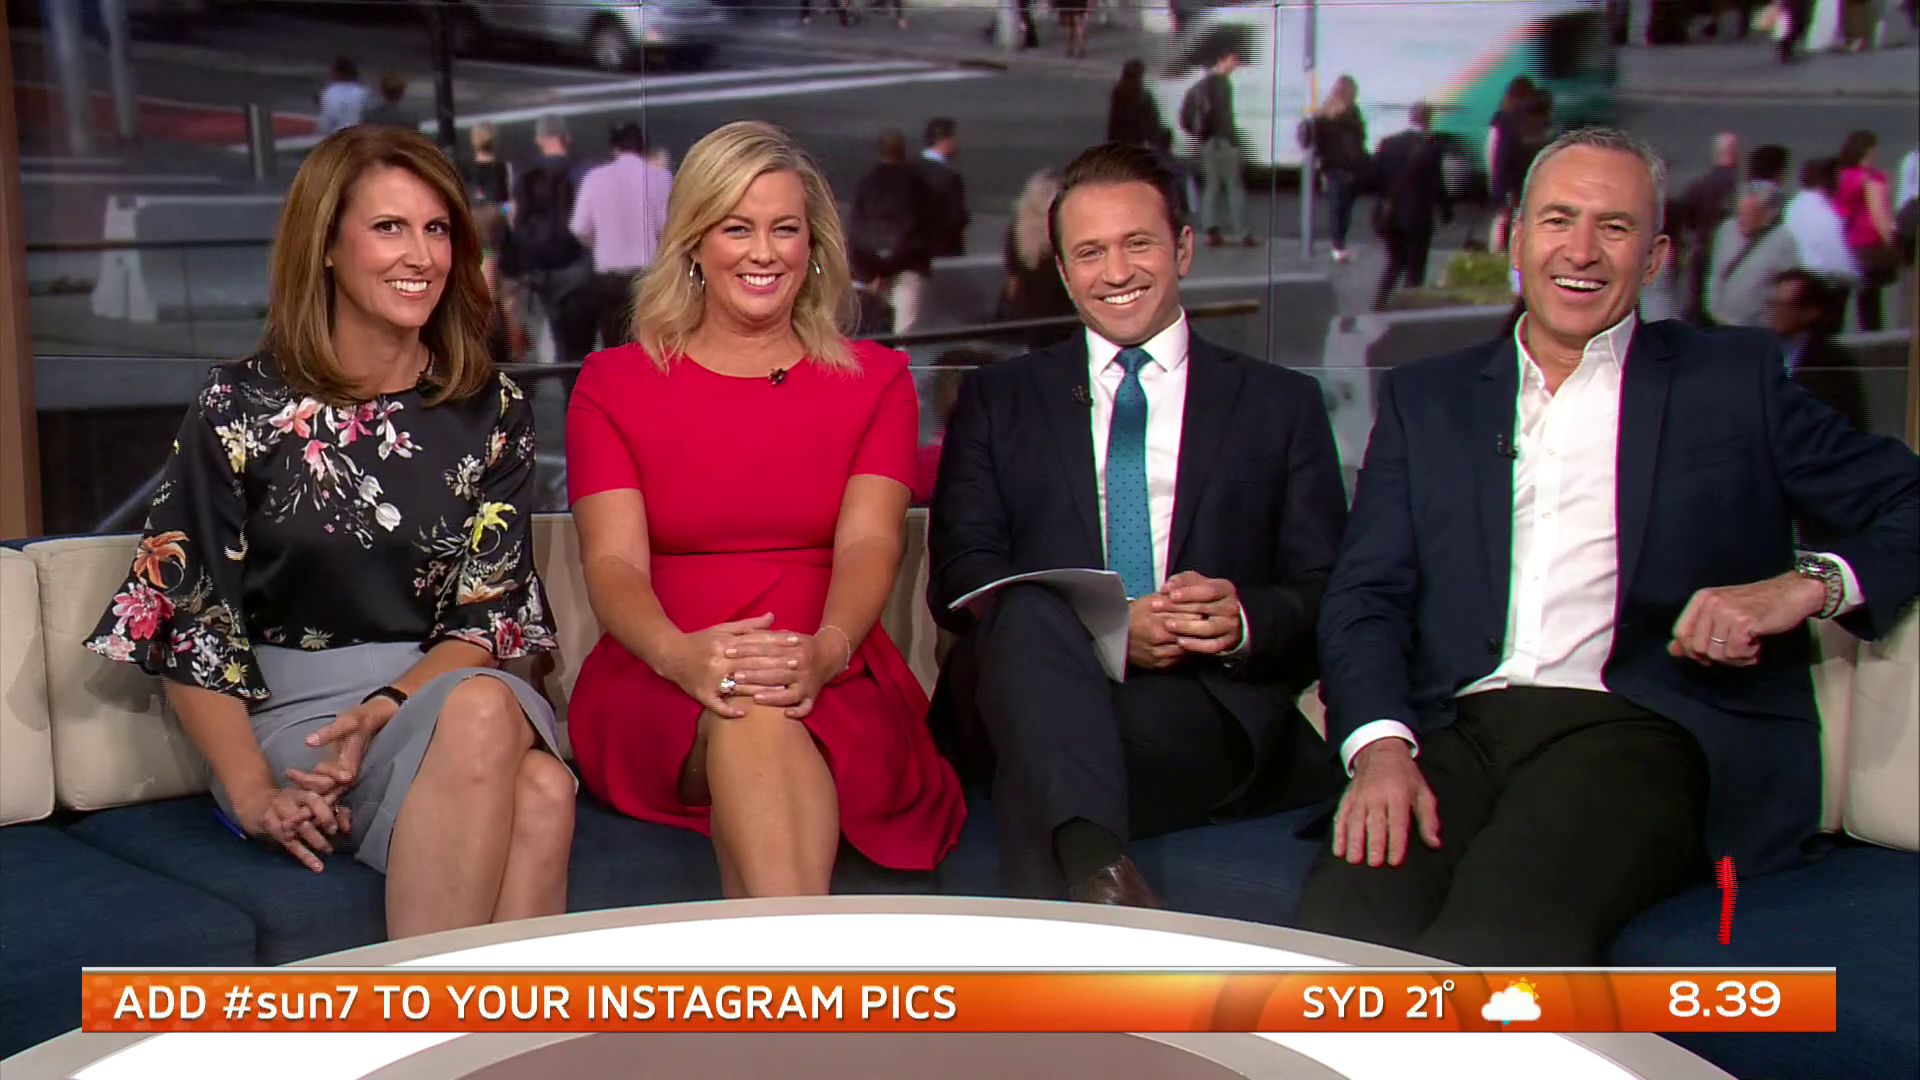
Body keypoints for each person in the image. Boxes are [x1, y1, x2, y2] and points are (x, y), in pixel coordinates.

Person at [1297, 127, 1919, 965]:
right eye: (1559, 220)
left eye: (1614, 227)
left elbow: (1909, 498)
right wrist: (1378, 747)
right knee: (1338, 942)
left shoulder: (1730, 382)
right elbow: (1366, 595)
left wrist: (1807, 585)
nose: (1581, 251)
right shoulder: (1428, 400)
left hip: (1640, 725)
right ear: (1516, 237)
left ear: (1655, 257)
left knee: (1497, 939)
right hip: (1453, 727)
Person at [83, 125, 574, 939]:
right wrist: (252, 792)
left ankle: (423, 1019)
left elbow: (488, 621)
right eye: (389, 227)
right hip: (300, 713)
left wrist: (388, 705)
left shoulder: (492, 409)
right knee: (543, 790)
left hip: (447, 687)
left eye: (437, 229)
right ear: (327, 248)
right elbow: (190, 619)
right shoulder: (241, 407)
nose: (421, 255)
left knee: (486, 712)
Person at [927, 142, 1347, 905]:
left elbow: (1327, 591)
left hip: (1195, 708)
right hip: (1025, 687)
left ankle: (1088, 863)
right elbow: (959, 578)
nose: (1116, 272)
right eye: (1090, 253)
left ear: (1183, 247)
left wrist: (1243, 619)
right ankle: (1098, 878)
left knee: (1043, 762)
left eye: (1138, 244)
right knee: (1026, 610)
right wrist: (1109, 627)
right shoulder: (1000, 399)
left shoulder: (1279, 405)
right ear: (1063, 270)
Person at [563, 120, 966, 896]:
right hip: (660, 672)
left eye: (785, 229)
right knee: (751, 705)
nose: (764, 252)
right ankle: (801, 968)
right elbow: (612, 563)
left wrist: (826, 652)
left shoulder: (875, 381)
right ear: (693, 242)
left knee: (761, 703)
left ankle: (775, 969)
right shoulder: (613, 385)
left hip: (833, 670)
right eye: (737, 228)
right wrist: (683, 657)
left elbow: (869, 546)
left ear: (813, 246)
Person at [572, 122, 673, 350]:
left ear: (614, 148)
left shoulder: (594, 178)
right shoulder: (661, 178)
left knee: (614, 344)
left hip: (609, 277)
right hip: (648, 275)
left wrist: (601, 244)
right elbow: (668, 227)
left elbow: (580, 228)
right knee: (650, 344)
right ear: (644, 148)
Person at [847, 128, 935, 336]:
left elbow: (857, 224)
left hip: (871, 262)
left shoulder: (867, 182)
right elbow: (927, 222)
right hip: (909, 261)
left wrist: (868, 264)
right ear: (903, 151)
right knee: (904, 327)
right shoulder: (917, 183)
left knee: (873, 322)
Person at [1369, 101, 1453, 311]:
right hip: (1418, 215)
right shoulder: (1431, 147)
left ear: (1410, 118)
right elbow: (1436, 183)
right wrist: (1446, 211)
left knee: (1395, 260)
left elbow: (1373, 177)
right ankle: (1409, 308)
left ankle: (1380, 299)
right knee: (1416, 264)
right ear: (1429, 119)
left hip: (1390, 214)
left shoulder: (1388, 143)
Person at [1768, 268, 1869, 433]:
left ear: (1811, 312)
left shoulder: (1831, 364)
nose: (1774, 313)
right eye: (1772, 304)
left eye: (1783, 306)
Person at [996, 168, 1076, 350]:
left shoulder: (1018, 229)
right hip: (1063, 310)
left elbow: (1012, 271)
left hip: (1030, 311)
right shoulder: (1065, 231)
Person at [1704, 183, 1798, 328]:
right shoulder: (1727, 230)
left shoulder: (1783, 241)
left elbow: (1787, 289)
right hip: (1719, 321)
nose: (1741, 220)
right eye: (1740, 213)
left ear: (1768, 215)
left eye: (1750, 214)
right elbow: (1716, 272)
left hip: (1755, 326)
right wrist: (1713, 309)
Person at [1833, 129, 1898, 331]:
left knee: (1839, 301)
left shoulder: (1840, 176)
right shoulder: (1872, 178)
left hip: (1842, 244)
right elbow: (1879, 214)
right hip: (1868, 245)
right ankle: (1872, 342)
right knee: (1869, 303)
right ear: (1868, 151)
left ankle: (1832, 341)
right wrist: (1891, 242)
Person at [1310, 75, 1368, 264]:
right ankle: (1338, 246)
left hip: (1342, 166)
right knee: (1339, 208)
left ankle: (1339, 245)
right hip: (1338, 166)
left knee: (1342, 208)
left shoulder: (1338, 113)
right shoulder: (1330, 114)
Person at [1106, 59, 1164, 150]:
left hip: (1121, 140)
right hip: (1137, 140)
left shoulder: (1118, 93)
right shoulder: (1144, 96)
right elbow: (1152, 122)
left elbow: (1113, 121)